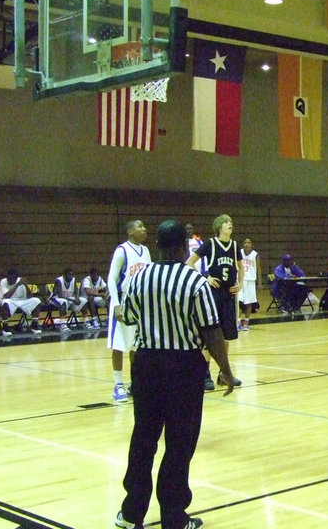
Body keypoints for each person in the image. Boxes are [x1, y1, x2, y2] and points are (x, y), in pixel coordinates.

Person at [114, 219, 236, 529]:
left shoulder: (140, 279)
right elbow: (211, 332)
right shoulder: (196, 282)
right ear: (184, 247)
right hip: (183, 368)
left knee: (144, 438)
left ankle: (131, 514)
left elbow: (126, 316)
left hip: (146, 366)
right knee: (179, 444)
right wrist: (225, 370)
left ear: (156, 245)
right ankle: (173, 518)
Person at [186, 214, 243, 389]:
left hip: (228, 294)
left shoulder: (234, 245)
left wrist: (240, 284)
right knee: (210, 334)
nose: (230, 224)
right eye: (227, 222)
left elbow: (241, 267)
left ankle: (224, 374)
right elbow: (189, 262)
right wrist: (205, 277)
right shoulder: (210, 244)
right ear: (219, 226)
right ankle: (205, 375)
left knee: (226, 336)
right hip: (212, 293)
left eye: (231, 222)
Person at [107, 220, 152, 403]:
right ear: (130, 231)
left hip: (140, 302)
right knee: (119, 344)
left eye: (144, 226)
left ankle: (136, 382)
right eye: (140, 226)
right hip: (123, 299)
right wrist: (116, 305)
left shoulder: (146, 251)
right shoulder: (122, 250)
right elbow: (111, 279)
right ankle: (118, 385)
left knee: (137, 345)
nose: (144, 229)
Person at [0, 269, 42, 334]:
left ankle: (34, 324)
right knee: (5, 302)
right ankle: (5, 327)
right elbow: (7, 296)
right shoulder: (3, 281)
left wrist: (26, 285)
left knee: (36, 300)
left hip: (22, 301)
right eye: (8, 278)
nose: (9, 280)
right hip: (10, 301)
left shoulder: (21, 281)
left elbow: (30, 296)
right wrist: (17, 284)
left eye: (11, 279)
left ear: (16, 278)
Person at [238, 237, 261, 331]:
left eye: (249, 243)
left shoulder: (255, 255)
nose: (247, 244)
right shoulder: (239, 253)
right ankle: (238, 322)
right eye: (245, 242)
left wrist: (259, 283)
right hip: (240, 280)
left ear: (252, 245)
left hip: (251, 281)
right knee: (239, 302)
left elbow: (259, 270)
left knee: (248, 303)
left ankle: (246, 322)